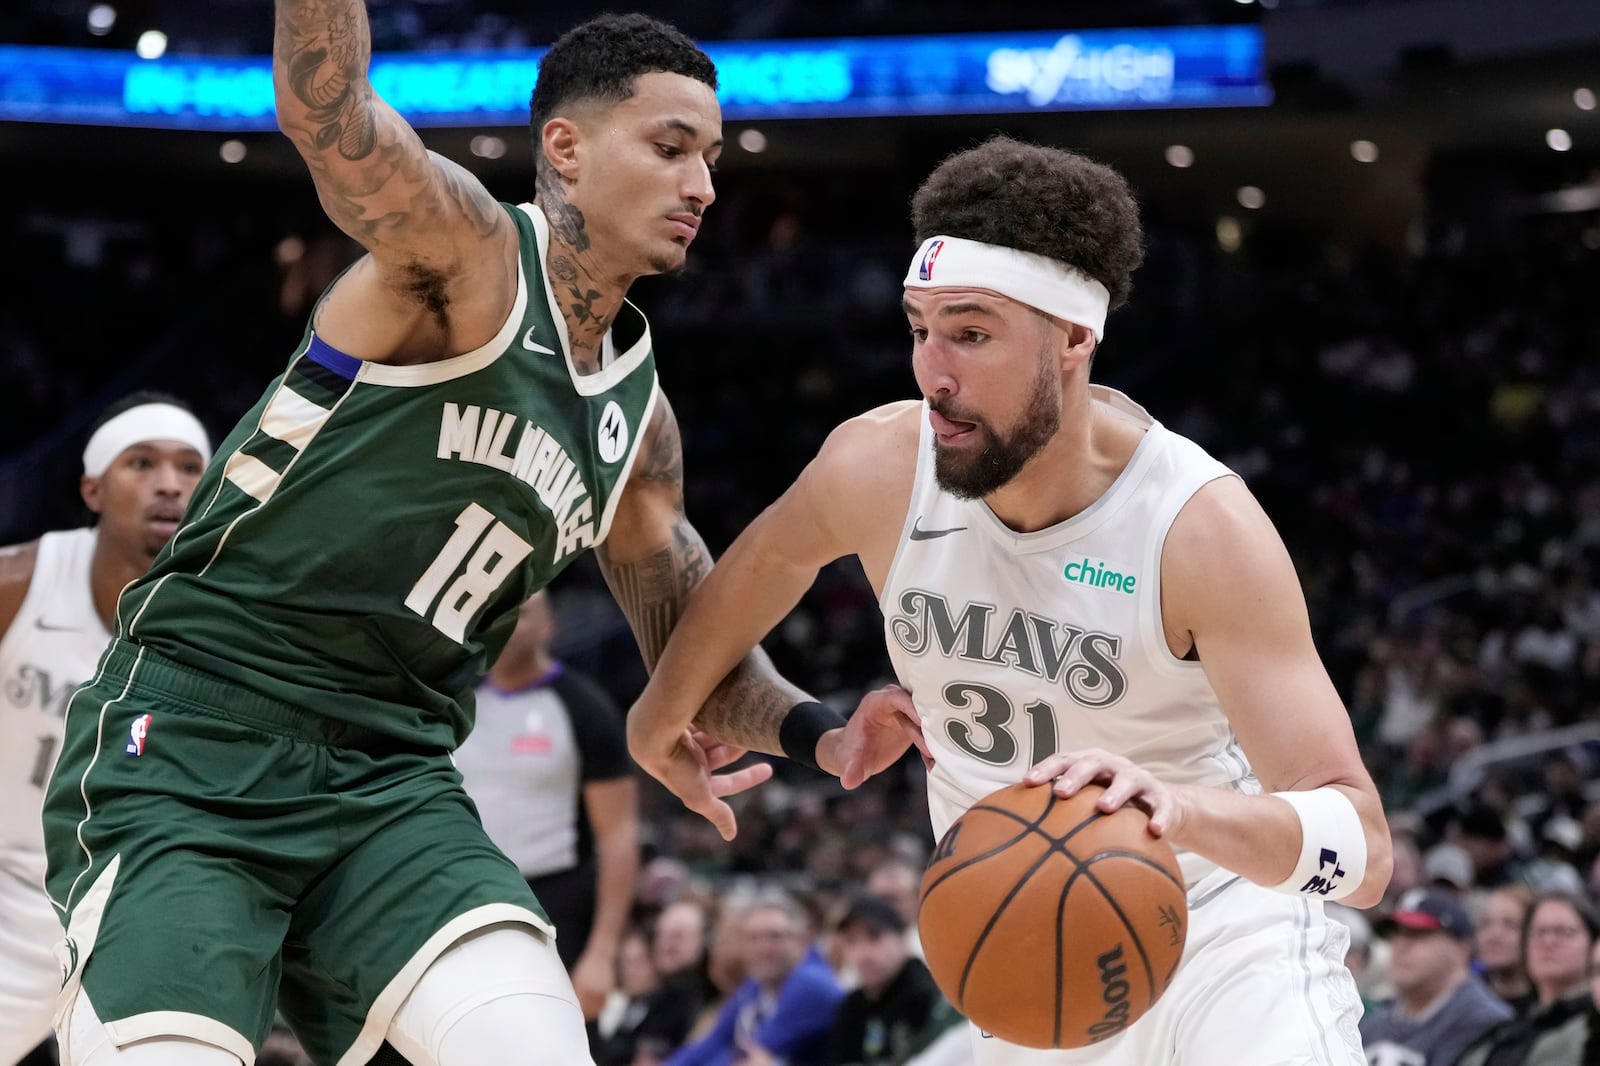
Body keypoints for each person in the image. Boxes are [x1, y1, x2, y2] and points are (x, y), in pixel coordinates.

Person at [39, 9, 873, 1066]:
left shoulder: (638, 420)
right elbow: (324, 107)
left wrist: (824, 736)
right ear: (564, 147)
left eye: (709, 158)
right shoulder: (465, 252)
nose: (703, 186)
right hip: (200, 732)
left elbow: (698, 647)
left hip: (391, 778)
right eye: (669, 149)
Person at [629, 135, 1395, 1065]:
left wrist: (1178, 810)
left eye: (973, 332)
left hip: (1220, 932)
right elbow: (746, 584)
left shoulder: (1197, 528)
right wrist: (665, 723)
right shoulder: (876, 465)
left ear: (1076, 338)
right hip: (1024, 942)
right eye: (919, 328)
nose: (932, 371)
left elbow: (1362, 847)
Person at [0, 393, 210, 1066]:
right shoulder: (19, 582)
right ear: (92, 487)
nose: (169, 483)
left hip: (109, 907)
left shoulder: (218, 627)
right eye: (141, 463)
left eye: (189, 468)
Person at [453, 591, 640, 1021]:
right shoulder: (456, 706)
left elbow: (619, 838)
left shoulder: (584, 708)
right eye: (492, 613)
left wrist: (602, 953)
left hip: (556, 906)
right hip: (465, 900)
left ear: (549, 625)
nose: (503, 624)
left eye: (519, 613)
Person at [664, 889, 844, 1066]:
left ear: (800, 940)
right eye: (754, 938)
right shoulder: (756, 985)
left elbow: (747, 1054)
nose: (764, 948)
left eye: (775, 936)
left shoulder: (812, 983)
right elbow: (713, 1042)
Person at [1359, 888, 1512, 1066]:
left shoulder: (1489, 1025)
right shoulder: (1376, 1023)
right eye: (1396, 933)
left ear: (1461, 949)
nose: (1400, 945)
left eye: (1417, 934)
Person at [1459, 891, 1598, 1066]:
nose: (1548, 941)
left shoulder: (1591, 1028)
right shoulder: (1511, 1023)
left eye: (1563, 931)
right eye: (1539, 932)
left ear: (1593, 944)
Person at [827, 894, 959, 1066]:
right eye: (851, 941)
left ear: (902, 937)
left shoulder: (928, 996)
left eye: (874, 937)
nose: (862, 955)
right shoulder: (853, 1006)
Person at [1476, 886, 1536, 1014]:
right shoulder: (1465, 1001)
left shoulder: (1545, 1006)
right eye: (1485, 923)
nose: (1493, 936)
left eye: (1510, 925)